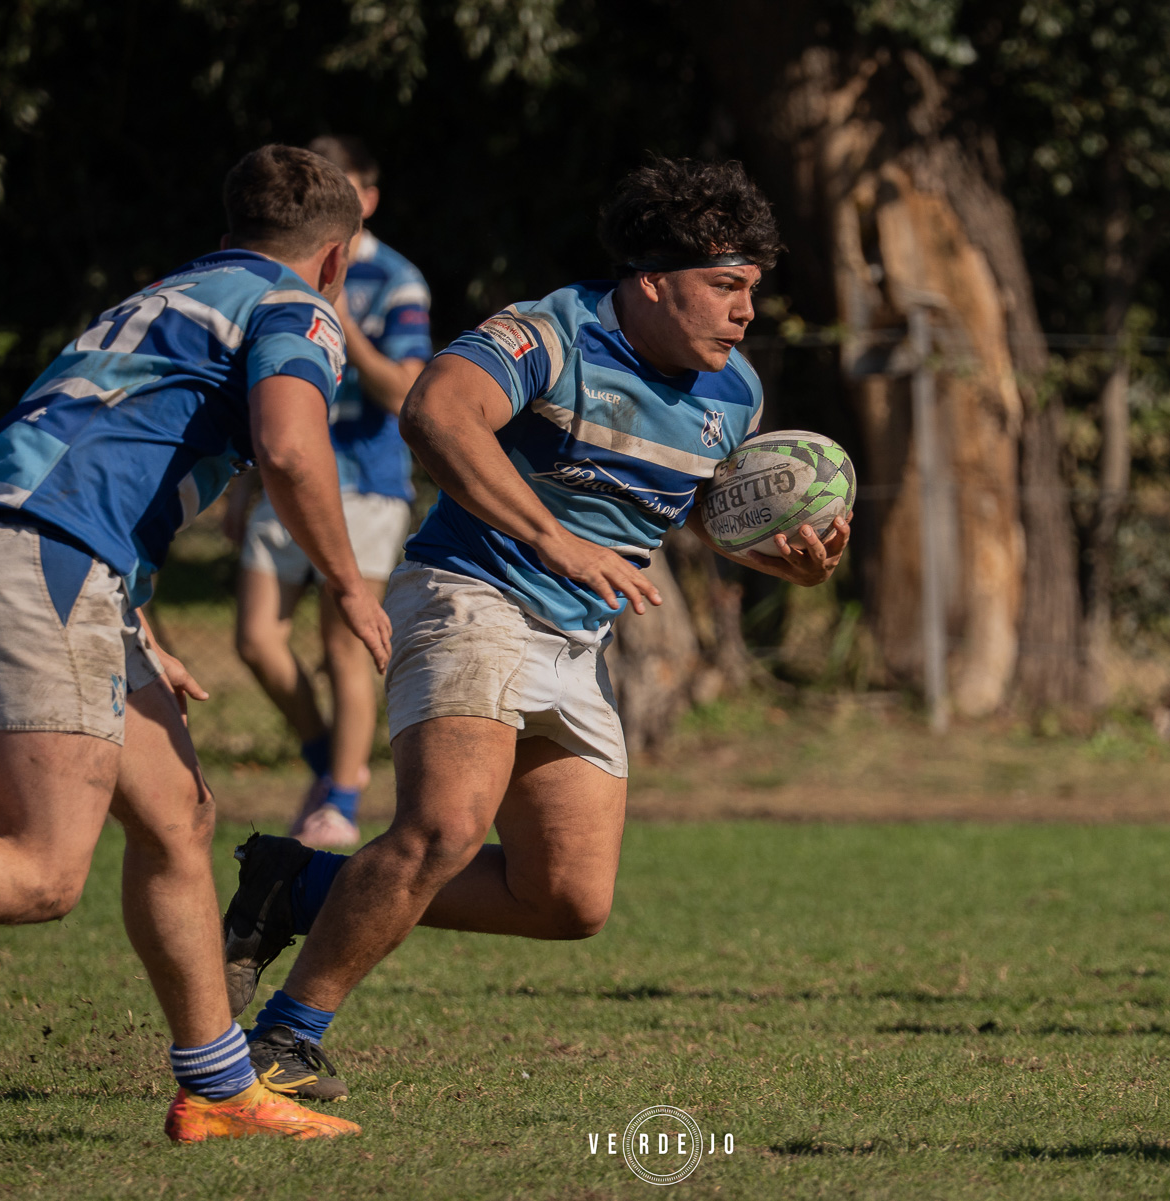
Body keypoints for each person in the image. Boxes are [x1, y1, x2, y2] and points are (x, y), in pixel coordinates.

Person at [0, 145, 392, 1140]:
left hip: (32, 551)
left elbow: (94, 447)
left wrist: (134, 616)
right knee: (43, 867)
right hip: (45, 561)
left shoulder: (174, 291)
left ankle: (219, 1086)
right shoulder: (293, 306)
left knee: (178, 817)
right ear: (335, 254)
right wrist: (351, 584)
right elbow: (288, 443)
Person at [218, 156, 850, 1099]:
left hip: (575, 640)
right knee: (442, 831)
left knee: (564, 900)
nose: (746, 311)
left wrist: (781, 560)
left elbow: (688, 517)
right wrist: (552, 538)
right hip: (470, 598)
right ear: (652, 280)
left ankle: (296, 886)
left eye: (751, 289)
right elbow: (437, 412)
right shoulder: (553, 334)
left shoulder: (735, 396)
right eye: (726, 286)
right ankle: (283, 1040)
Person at [225, 135, 431, 849]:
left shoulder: (396, 281)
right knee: (256, 639)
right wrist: (242, 482)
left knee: (345, 647)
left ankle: (341, 799)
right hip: (284, 474)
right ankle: (326, 759)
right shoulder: (279, 277)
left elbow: (407, 391)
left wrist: (341, 325)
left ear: (368, 197)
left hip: (365, 483)